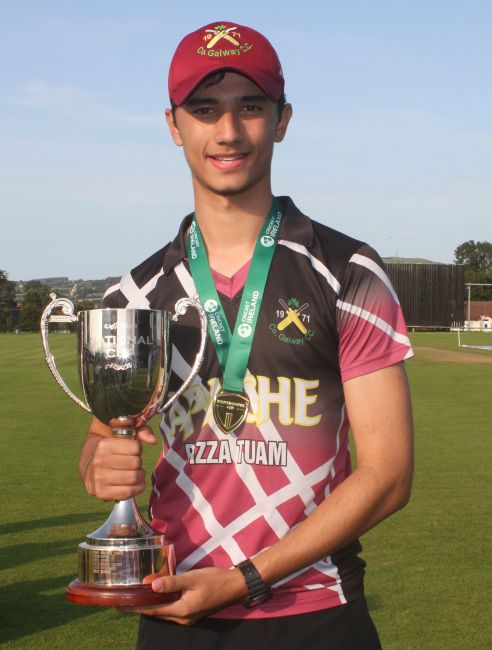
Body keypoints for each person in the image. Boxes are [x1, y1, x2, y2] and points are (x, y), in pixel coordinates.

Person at [79, 20, 414, 649]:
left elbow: (388, 475)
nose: (228, 131)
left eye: (250, 107)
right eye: (204, 110)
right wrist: (100, 468)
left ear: (282, 120)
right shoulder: (135, 295)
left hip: (317, 614)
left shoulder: (349, 273)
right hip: (174, 611)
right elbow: (103, 439)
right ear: (173, 126)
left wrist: (245, 579)